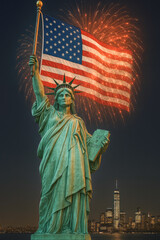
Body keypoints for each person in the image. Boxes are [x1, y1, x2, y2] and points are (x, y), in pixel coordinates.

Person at [29, 56, 109, 235]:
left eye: (68, 95)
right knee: (49, 195)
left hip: (74, 166)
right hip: (53, 162)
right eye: (61, 95)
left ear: (72, 100)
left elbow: (89, 146)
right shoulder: (49, 116)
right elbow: (40, 95)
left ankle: (71, 228)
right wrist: (35, 74)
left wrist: (100, 145)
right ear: (56, 99)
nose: (65, 97)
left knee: (73, 196)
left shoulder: (78, 122)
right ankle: (49, 228)